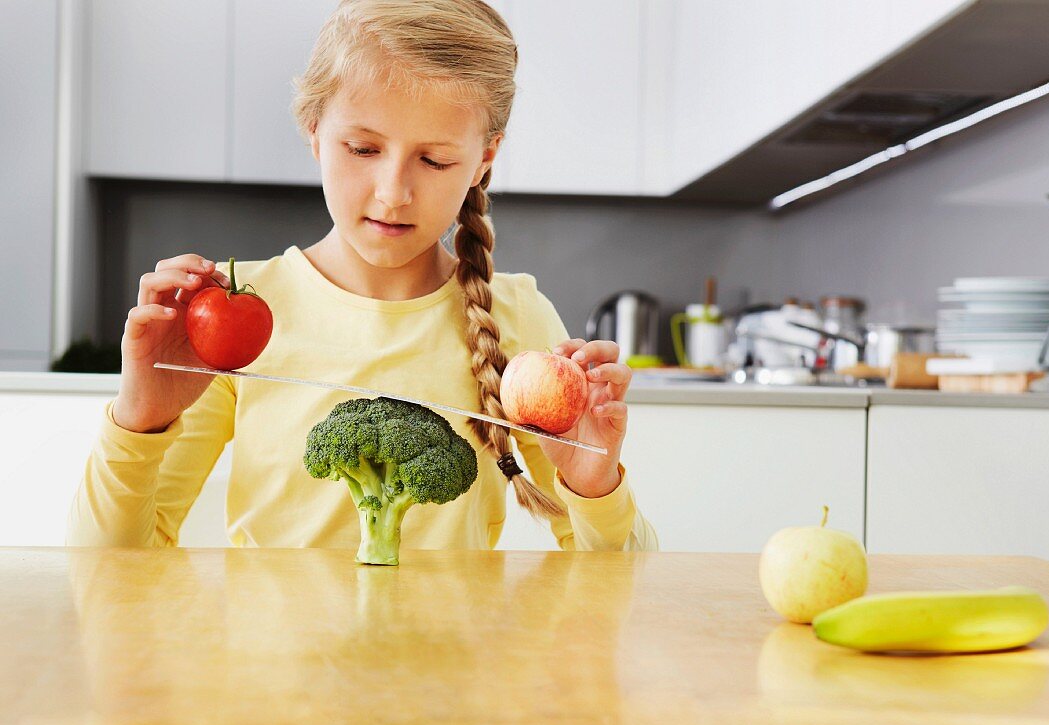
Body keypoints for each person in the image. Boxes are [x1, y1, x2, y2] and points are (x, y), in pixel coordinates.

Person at [67, 0, 658, 553]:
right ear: (313, 129)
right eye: (363, 149)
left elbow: (623, 589)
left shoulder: (516, 317)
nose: (393, 193)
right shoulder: (231, 312)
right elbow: (108, 572)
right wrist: (137, 423)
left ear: (485, 159)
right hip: (268, 667)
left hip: (453, 664)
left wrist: (593, 485)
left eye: (435, 160)